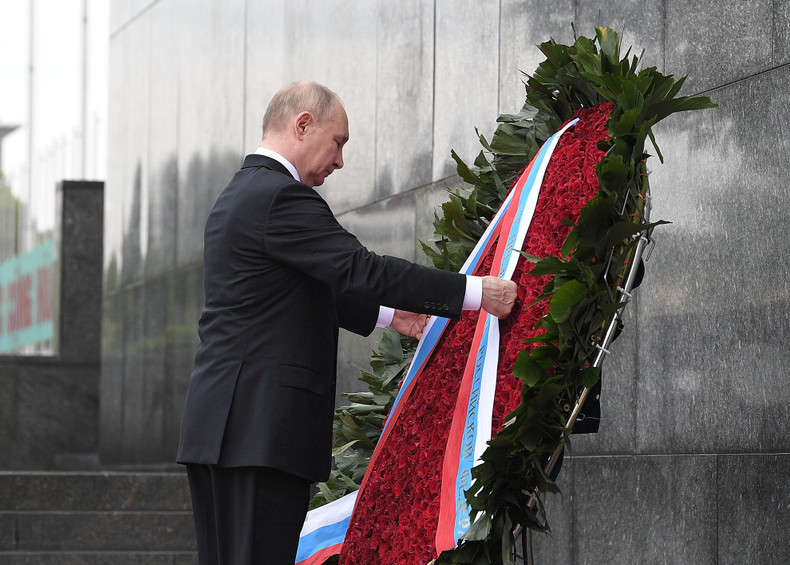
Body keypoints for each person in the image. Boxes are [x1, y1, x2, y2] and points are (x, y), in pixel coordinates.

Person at [176, 81, 518, 565]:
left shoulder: (237, 195)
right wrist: (475, 292)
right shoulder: (280, 197)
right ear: (302, 124)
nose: (339, 161)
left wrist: (386, 314)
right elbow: (361, 269)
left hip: (223, 429)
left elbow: (288, 292)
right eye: (338, 142)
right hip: (259, 434)